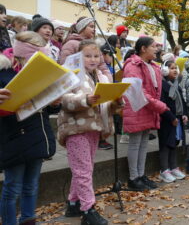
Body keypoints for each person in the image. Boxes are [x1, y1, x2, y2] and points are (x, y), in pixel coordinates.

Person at [58, 40, 122, 225]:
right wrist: (86, 99)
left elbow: (105, 104)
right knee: (83, 171)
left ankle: (73, 203)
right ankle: (88, 210)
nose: (93, 59)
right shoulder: (72, 74)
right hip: (75, 128)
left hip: (95, 128)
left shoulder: (102, 77)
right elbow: (64, 99)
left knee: (84, 169)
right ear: (78, 57)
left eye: (96, 56)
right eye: (87, 56)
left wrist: (116, 102)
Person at [0, 31, 58, 225]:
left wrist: (55, 100)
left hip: (36, 132)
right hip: (12, 135)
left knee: (31, 185)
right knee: (12, 187)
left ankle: (28, 220)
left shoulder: (40, 73)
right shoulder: (3, 70)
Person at [123, 36, 167, 190]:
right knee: (135, 143)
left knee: (143, 143)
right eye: (154, 46)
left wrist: (155, 105)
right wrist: (159, 106)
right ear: (143, 48)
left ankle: (141, 175)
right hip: (137, 108)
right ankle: (133, 177)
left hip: (149, 108)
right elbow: (138, 92)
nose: (157, 49)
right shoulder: (132, 65)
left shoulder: (153, 66)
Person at [157, 61, 187, 183]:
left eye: (176, 68)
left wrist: (184, 114)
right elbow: (162, 104)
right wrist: (171, 117)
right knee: (165, 144)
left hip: (177, 119)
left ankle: (173, 167)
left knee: (174, 143)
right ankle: (164, 170)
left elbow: (182, 102)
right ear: (164, 70)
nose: (175, 70)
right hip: (167, 120)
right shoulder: (162, 85)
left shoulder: (177, 85)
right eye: (171, 68)